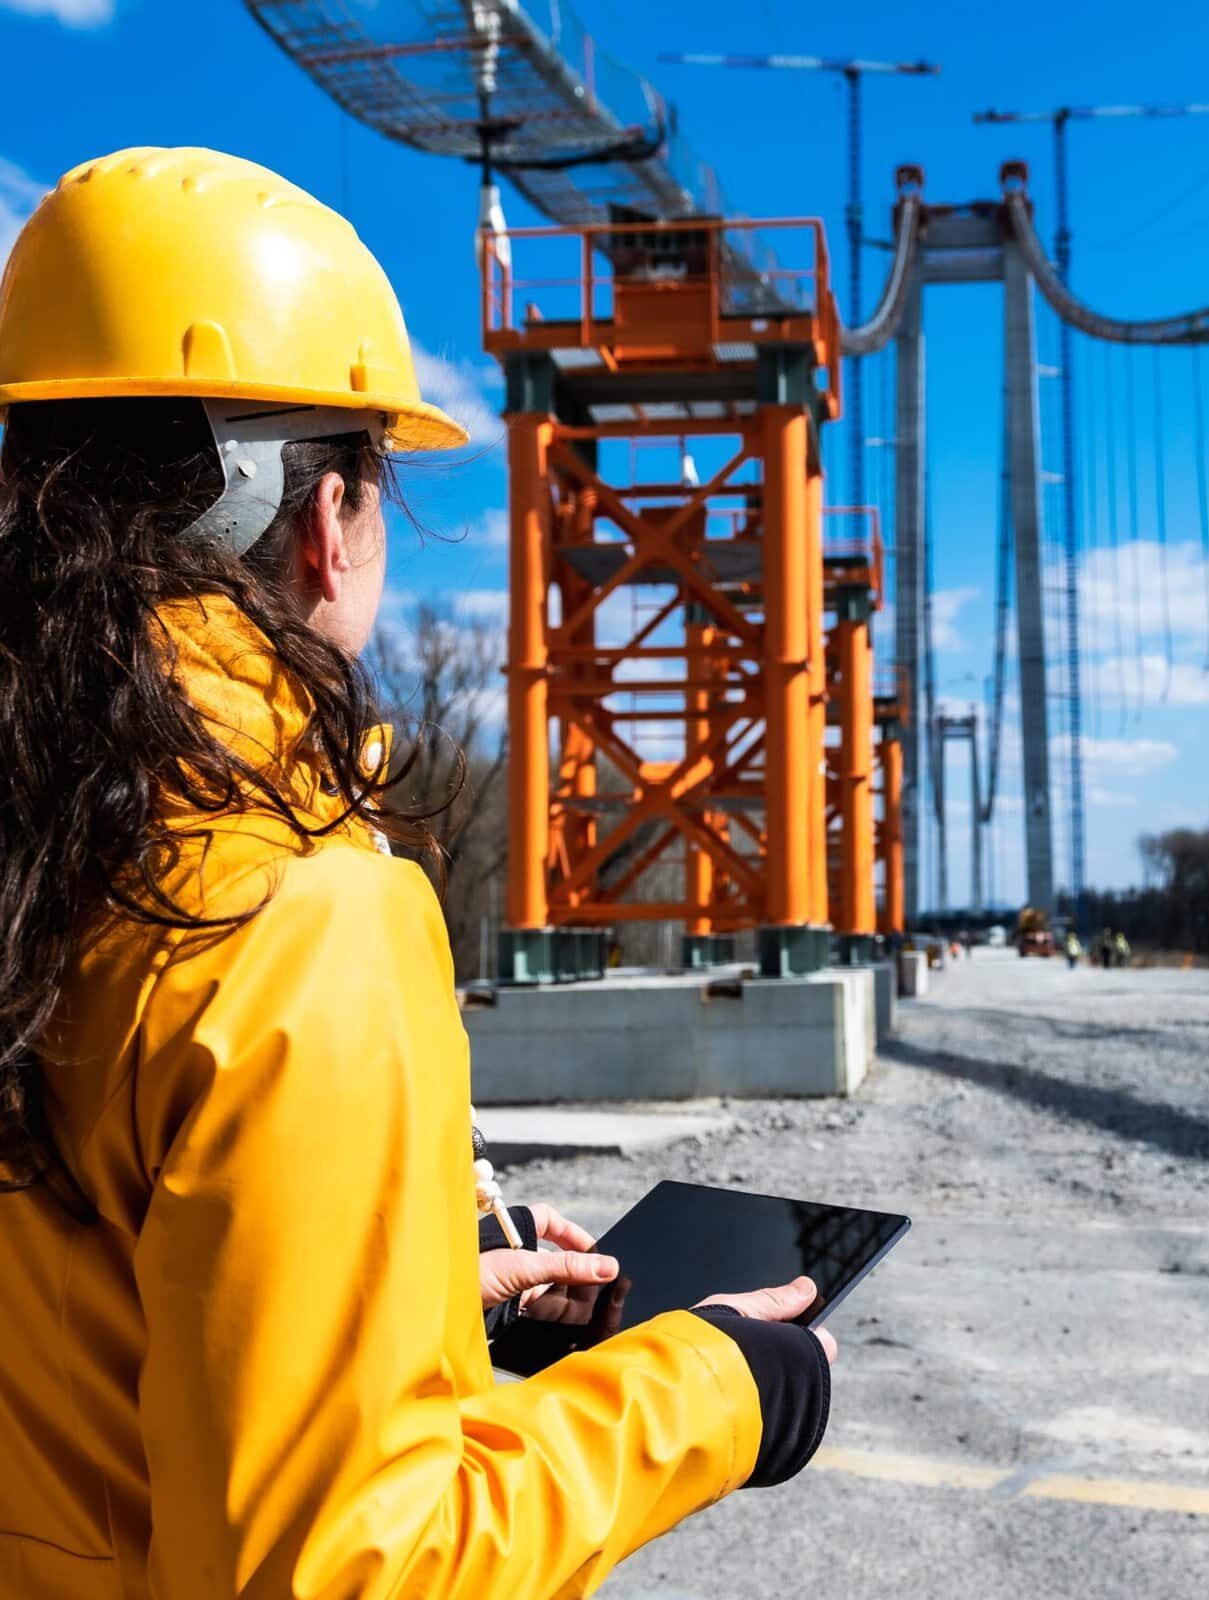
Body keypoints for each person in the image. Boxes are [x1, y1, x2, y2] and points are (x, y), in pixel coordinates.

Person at [0, 147, 833, 1599]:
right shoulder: (294, 913)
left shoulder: (46, 835)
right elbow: (342, 1575)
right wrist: (717, 1391)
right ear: (327, 520)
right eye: (380, 480)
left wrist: (419, 1297)